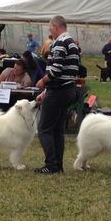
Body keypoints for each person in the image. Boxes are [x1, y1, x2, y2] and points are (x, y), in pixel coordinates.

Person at [35, 16, 80, 174]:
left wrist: (43, 82)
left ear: (55, 26)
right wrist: (47, 91)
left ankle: (51, 164)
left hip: (58, 91)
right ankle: (58, 165)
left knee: (44, 128)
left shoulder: (60, 43)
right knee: (58, 130)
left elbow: (56, 70)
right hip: (68, 89)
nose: (50, 31)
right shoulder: (72, 43)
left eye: (50, 28)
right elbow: (70, 71)